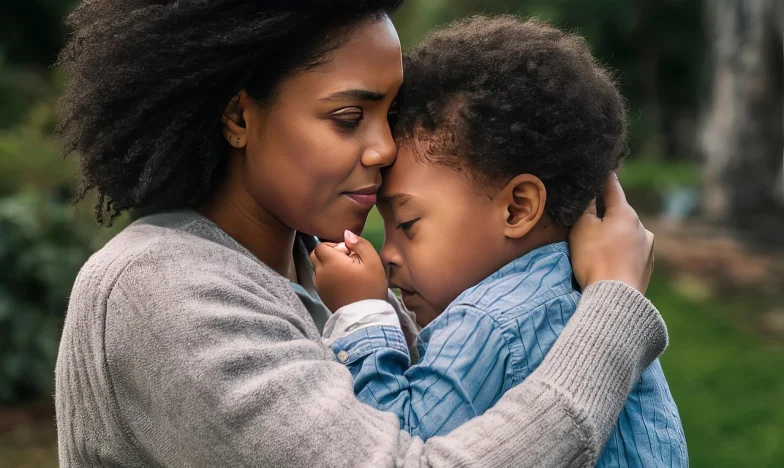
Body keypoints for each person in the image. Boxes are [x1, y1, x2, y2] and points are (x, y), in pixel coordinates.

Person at [54, 1, 663, 466]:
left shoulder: (325, 272)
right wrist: (613, 310)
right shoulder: (161, 289)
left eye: (389, 115)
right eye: (349, 118)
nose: (385, 147)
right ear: (240, 116)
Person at [312, 16, 687, 467]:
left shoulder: (493, 319)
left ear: (517, 208)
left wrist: (361, 313)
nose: (389, 255)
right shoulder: (573, 299)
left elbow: (394, 440)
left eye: (408, 223)